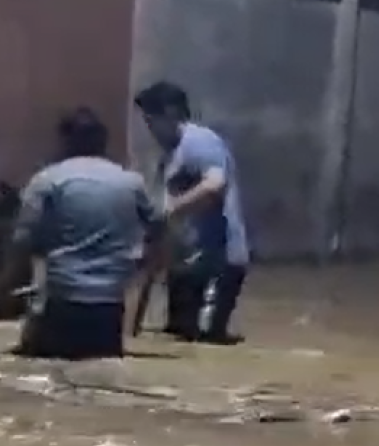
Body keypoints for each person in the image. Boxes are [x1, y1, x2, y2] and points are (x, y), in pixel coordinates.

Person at [0, 108, 165, 359]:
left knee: (32, 355)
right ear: (103, 141)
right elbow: (161, 229)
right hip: (109, 309)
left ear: (65, 140)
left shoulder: (47, 180)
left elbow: (22, 241)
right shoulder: (131, 182)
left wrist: (5, 288)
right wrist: (142, 273)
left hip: (61, 305)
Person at [133, 81, 249, 343]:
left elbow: (215, 184)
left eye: (151, 121)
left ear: (172, 114)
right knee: (179, 338)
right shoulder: (169, 156)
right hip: (188, 264)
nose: (149, 130)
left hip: (217, 263)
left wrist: (171, 209)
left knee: (205, 343)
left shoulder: (199, 142)